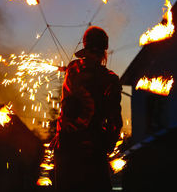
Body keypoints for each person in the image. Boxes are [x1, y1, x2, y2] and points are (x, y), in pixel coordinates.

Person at [51, 26, 123, 192]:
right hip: (92, 152)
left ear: (85, 48)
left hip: (65, 151)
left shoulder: (72, 70)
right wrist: (108, 145)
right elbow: (115, 122)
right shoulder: (110, 80)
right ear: (104, 53)